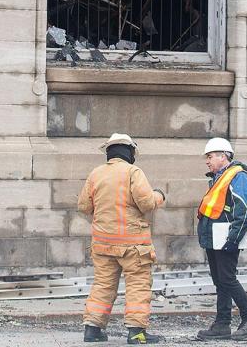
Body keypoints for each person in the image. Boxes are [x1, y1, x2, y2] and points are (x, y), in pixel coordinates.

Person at [77, 133, 166, 344]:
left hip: (102, 244)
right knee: (138, 285)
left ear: (108, 151)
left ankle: (93, 330)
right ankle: (136, 333)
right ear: (130, 152)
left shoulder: (95, 174)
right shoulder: (133, 172)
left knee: (103, 284)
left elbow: (84, 206)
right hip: (132, 245)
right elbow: (146, 204)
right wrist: (159, 195)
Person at [195, 137, 247, 341]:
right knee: (220, 280)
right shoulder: (221, 177)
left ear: (223, 156)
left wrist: (233, 239)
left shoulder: (238, 176)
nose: (207, 161)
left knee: (227, 279)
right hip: (215, 238)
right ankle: (222, 324)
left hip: (226, 238)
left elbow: (243, 210)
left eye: (211, 156)